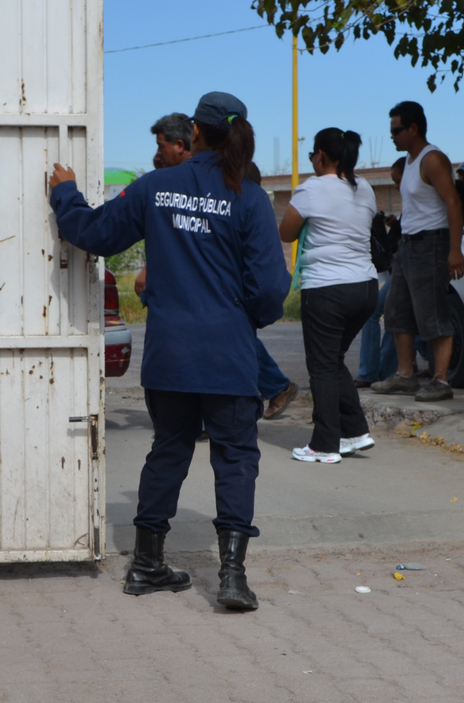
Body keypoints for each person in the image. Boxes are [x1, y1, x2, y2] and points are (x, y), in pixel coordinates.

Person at [49, 91, 291, 610]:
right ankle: (231, 576)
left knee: (169, 450)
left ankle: (145, 564)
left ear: (195, 132)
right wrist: (239, 316)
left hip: (170, 354)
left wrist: (65, 193)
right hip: (228, 355)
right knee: (235, 457)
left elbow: (93, 233)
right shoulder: (249, 198)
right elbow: (272, 289)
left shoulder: (156, 187)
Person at [134, 126, 298, 421]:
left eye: (161, 146)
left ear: (187, 140)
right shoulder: (168, 185)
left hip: (206, 329)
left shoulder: (227, 190)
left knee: (224, 339)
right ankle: (274, 386)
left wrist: (252, 316)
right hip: (212, 326)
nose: (157, 155)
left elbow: (266, 284)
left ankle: (275, 385)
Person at [280, 127, 378, 464]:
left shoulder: (312, 188)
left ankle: (324, 444)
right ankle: (355, 431)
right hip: (365, 287)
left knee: (321, 365)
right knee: (332, 360)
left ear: (320, 155)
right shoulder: (364, 187)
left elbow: (286, 232)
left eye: (312, 154)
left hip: (327, 289)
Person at [371, 101, 464, 402]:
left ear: (413, 129)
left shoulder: (432, 159)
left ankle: (441, 380)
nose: (392, 136)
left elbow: (453, 202)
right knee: (396, 309)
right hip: (408, 245)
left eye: (396, 130)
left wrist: (455, 250)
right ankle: (405, 375)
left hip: (432, 244)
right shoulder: (410, 162)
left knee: (432, 312)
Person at [354, 157, 406, 387]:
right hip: (401, 266)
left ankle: (373, 372)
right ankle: (380, 371)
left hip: (407, 265)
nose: (396, 186)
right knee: (392, 316)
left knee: (382, 314)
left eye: (399, 181)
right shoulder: (411, 201)